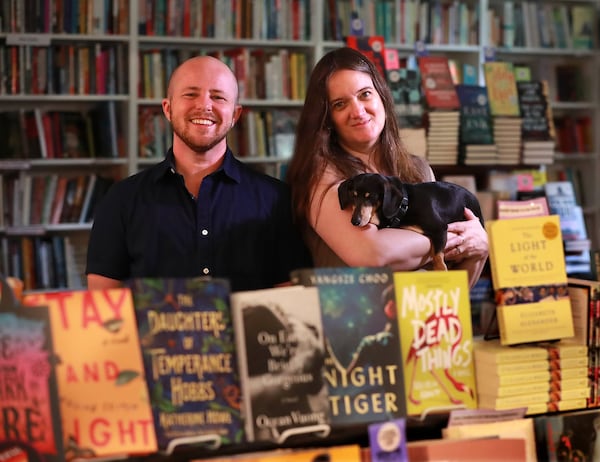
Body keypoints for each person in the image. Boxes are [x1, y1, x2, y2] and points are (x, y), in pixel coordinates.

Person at [86, 56, 312, 292]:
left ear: (235, 115)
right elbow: (104, 306)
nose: (204, 105)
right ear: (168, 108)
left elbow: (289, 303)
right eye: (191, 94)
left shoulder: (275, 199)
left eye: (218, 97)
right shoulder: (121, 199)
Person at [286, 47, 488, 288]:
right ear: (327, 118)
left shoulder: (418, 169)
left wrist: (480, 247)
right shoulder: (321, 175)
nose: (358, 111)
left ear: (382, 96)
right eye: (340, 104)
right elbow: (372, 254)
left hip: (423, 316)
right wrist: (450, 235)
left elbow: (451, 286)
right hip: (356, 319)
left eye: (365, 94)